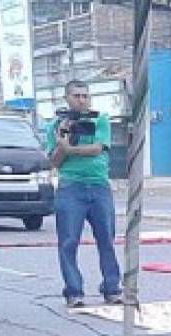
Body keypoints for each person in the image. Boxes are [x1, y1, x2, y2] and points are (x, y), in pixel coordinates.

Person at [47, 80, 121, 309]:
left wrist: (72, 149)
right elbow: (54, 162)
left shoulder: (99, 119)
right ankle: (74, 291)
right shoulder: (56, 125)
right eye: (77, 96)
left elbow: (98, 148)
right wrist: (62, 143)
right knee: (68, 241)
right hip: (71, 186)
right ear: (67, 98)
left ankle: (112, 287)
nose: (82, 100)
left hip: (99, 185)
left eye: (85, 96)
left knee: (106, 239)